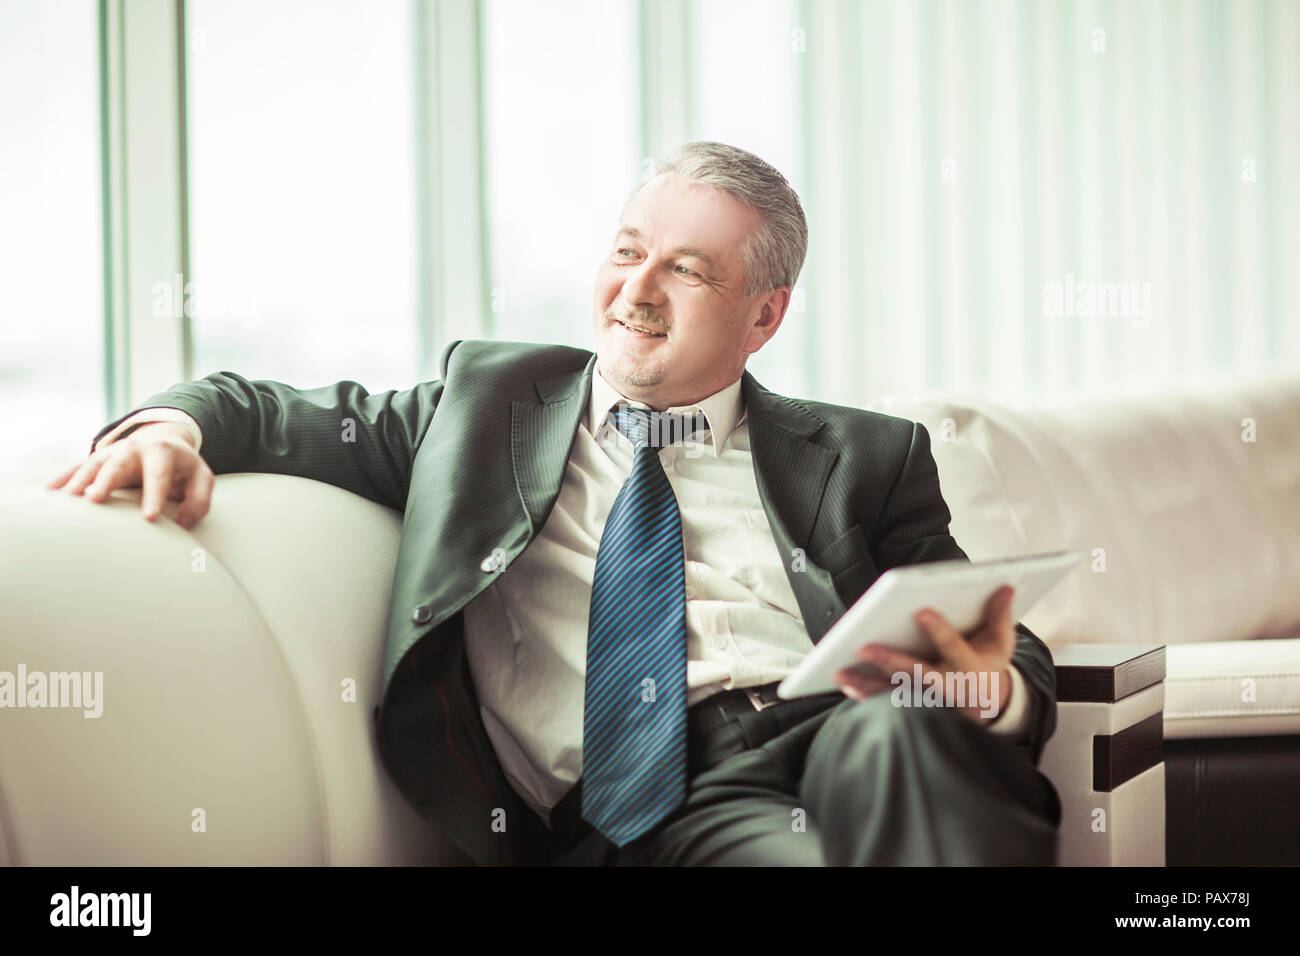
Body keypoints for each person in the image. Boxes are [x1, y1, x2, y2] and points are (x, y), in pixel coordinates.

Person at [50, 141, 1061, 866]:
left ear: (763, 315)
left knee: (904, 730)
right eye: (628, 250)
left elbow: (1000, 642)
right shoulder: (483, 408)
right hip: (668, 800)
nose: (638, 288)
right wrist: (165, 430)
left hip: (850, 728)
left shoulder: (867, 454)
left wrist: (981, 689)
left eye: (687, 268)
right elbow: (255, 407)